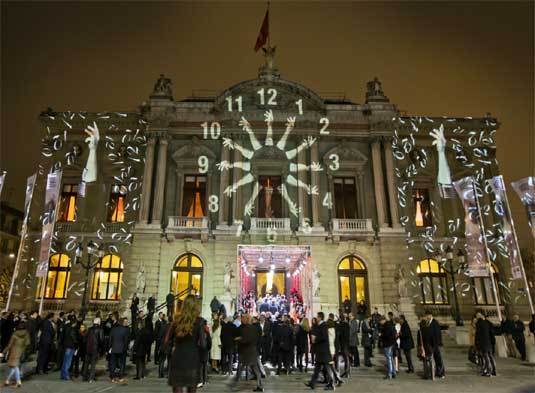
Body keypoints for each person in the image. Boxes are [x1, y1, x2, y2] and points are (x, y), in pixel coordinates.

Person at [167, 294, 204, 393]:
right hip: (192, 359)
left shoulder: (176, 320)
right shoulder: (199, 321)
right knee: (191, 389)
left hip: (178, 357)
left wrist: (173, 347)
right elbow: (203, 345)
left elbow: (166, 340)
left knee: (177, 388)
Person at [231, 313, 263, 392]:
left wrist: (239, 339)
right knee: (255, 369)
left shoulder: (248, 328)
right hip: (250, 351)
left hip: (248, 352)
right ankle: (260, 386)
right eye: (242, 318)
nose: (242, 319)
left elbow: (247, 339)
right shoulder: (251, 327)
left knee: (244, 368)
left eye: (243, 318)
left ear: (247, 319)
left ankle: (234, 385)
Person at [305, 312, 334, 390]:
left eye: (317, 317)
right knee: (317, 369)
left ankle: (331, 384)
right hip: (320, 351)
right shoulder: (320, 325)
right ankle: (312, 383)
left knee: (327, 369)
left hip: (323, 351)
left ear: (320, 317)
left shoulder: (324, 325)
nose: (316, 318)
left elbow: (324, 337)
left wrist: (316, 339)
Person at [424, 310, 445, 378]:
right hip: (431, 344)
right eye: (426, 316)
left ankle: (441, 373)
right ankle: (437, 372)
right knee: (435, 359)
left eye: (427, 315)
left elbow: (437, 334)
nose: (426, 317)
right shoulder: (428, 322)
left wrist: (437, 344)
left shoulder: (434, 322)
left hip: (435, 344)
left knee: (438, 359)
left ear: (430, 315)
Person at [475, 312, 496, 377]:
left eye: (477, 316)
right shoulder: (487, 323)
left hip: (483, 343)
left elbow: (477, 335)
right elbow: (491, 332)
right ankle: (494, 371)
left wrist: (477, 343)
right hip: (489, 342)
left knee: (486, 357)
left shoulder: (479, 323)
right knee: (490, 356)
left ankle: (489, 371)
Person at [109, 317, 129, 382]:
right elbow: (126, 341)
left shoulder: (113, 329)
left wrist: (110, 348)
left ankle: (112, 377)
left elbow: (110, 340)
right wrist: (126, 349)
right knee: (122, 363)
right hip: (122, 349)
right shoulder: (125, 330)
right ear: (122, 322)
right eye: (125, 322)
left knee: (113, 363)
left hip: (114, 348)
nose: (126, 323)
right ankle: (120, 377)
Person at [83, 318, 103, 382]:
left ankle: (84, 377)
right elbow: (101, 340)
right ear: (99, 322)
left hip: (88, 348)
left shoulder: (89, 329)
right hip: (95, 349)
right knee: (93, 364)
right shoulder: (100, 329)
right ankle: (91, 378)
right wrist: (100, 349)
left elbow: (85, 339)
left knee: (86, 363)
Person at [60, 315, 78, 381]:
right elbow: (74, 339)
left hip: (66, 346)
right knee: (68, 362)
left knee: (65, 361)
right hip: (70, 346)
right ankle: (66, 376)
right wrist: (76, 345)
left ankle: (62, 375)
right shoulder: (72, 329)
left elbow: (62, 336)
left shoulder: (65, 327)